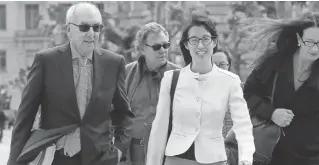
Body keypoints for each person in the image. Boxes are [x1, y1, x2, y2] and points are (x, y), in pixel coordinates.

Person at [7, 2, 135, 165]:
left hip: (101, 159)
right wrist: (14, 161)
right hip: (57, 157)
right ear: (68, 30)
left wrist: (118, 150)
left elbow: (124, 114)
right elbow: (25, 117)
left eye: (96, 28)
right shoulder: (46, 61)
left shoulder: (114, 63)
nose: (91, 34)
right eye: (84, 28)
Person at [146, 13, 255, 165]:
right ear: (186, 44)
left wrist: (246, 158)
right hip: (176, 159)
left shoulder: (230, 81)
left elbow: (243, 125)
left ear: (214, 42)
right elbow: (159, 130)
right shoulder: (171, 79)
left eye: (205, 39)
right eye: (194, 40)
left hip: (214, 159)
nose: (200, 45)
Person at [243, 12, 319, 165]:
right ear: (298, 39)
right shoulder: (275, 63)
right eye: (309, 42)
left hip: (312, 156)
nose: (315, 49)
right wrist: (271, 113)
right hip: (272, 152)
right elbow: (247, 93)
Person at [125, 22, 180, 165]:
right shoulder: (126, 73)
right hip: (132, 155)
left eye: (166, 45)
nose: (163, 50)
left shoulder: (179, 76)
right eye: (157, 47)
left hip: (166, 154)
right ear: (142, 49)